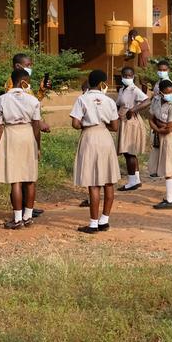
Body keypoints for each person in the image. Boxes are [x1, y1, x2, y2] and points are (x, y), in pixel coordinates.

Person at [70, 70, 120, 233]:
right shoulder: (109, 101)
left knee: (94, 182)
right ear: (102, 84)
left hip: (90, 137)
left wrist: (86, 124)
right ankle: (104, 219)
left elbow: (75, 124)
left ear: (89, 82)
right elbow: (115, 126)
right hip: (105, 136)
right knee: (108, 180)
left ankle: (93, 223)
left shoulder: (82, 99)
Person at [0, 68, 42, 229]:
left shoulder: (1, 100)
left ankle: (17, 218)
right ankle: (28, 217)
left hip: (11, 135)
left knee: (15, 180)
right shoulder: (33, 101)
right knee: (30, 178)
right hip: (28, 135)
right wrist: (38, 146)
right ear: (23, 82)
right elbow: (36, 125)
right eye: (28, 82)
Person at [148, 79, 172, 209]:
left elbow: (170, 127)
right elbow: (150, 119)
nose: (171, 94)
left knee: (169, 168)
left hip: (171, 138)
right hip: (159, 137)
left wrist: (159, 126)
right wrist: (159, 127)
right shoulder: (156, 100)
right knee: (164, 166)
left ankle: (170, 200)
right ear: (161, 93)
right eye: (167, 92)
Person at [115, 66, 151, 192]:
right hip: (123, 120)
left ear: (133, 76)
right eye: (125, 76)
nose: (127, 78)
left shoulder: (134, 90)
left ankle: (131, 181)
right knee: (128, 152)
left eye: (130, 76)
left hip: (131, 121)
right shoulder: (121, 90)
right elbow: (119, 104)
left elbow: (147, 101)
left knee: (128, 151)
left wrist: (133, 109)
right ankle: (136, 179)